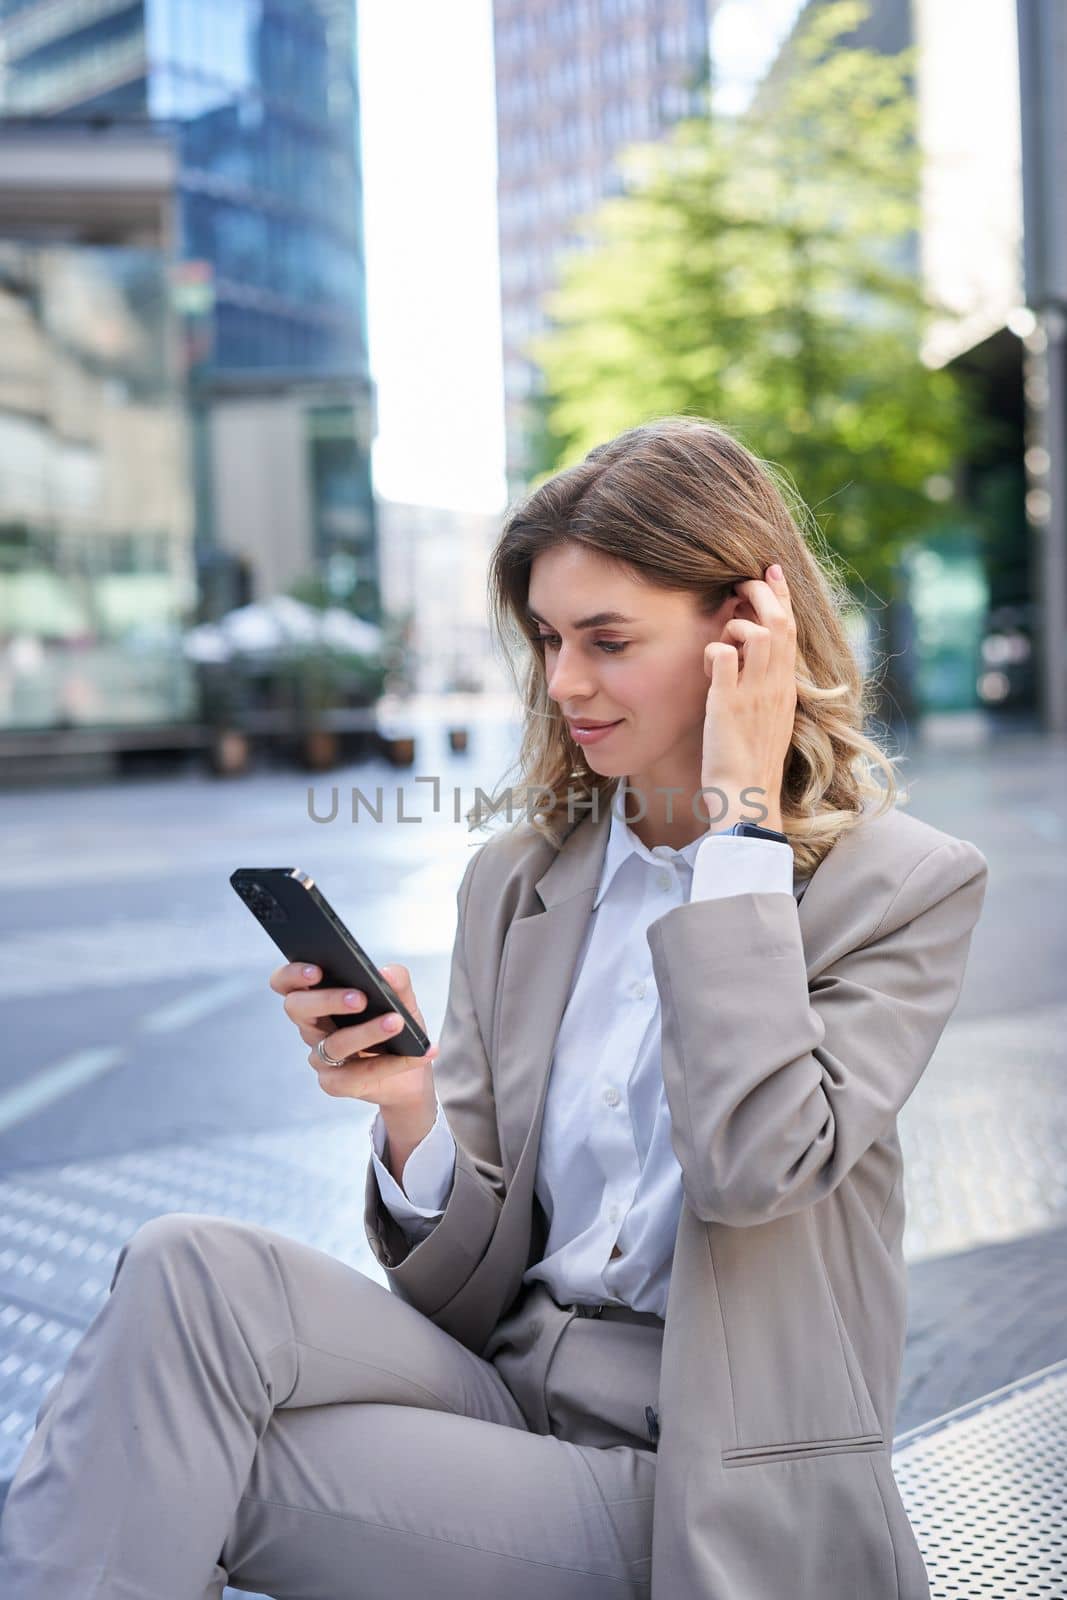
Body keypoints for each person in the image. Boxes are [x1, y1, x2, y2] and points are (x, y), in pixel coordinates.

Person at [0, 416, 988, 1599]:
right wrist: (409, 1109)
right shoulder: (520, 880)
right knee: (186, 1271)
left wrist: (738, 831)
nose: (564, 682)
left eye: (608, 640)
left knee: (172, 1465)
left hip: (701, 1469)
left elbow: (752, 1162)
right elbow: (468, 1285)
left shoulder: (898, 887)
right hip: (506, 1384)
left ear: (744, 637)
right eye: (549, 637)